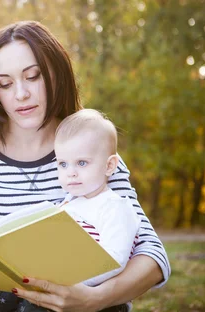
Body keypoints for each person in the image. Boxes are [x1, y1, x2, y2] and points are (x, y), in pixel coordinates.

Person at [0, 21, 170, 312]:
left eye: (33, 77)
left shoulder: (91, 149)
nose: (21, 94)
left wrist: (94, 299)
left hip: (83, 296)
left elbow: (153, 257)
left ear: (56, 77)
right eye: (5, 84)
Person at [53, 108, 140, 288]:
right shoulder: (68, 203)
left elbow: (113, 260)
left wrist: (72, 283)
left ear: (109, 166)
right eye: (63, 164)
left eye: (82, 163)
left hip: (92, 295)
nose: (71, 173)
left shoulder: (114, 208)